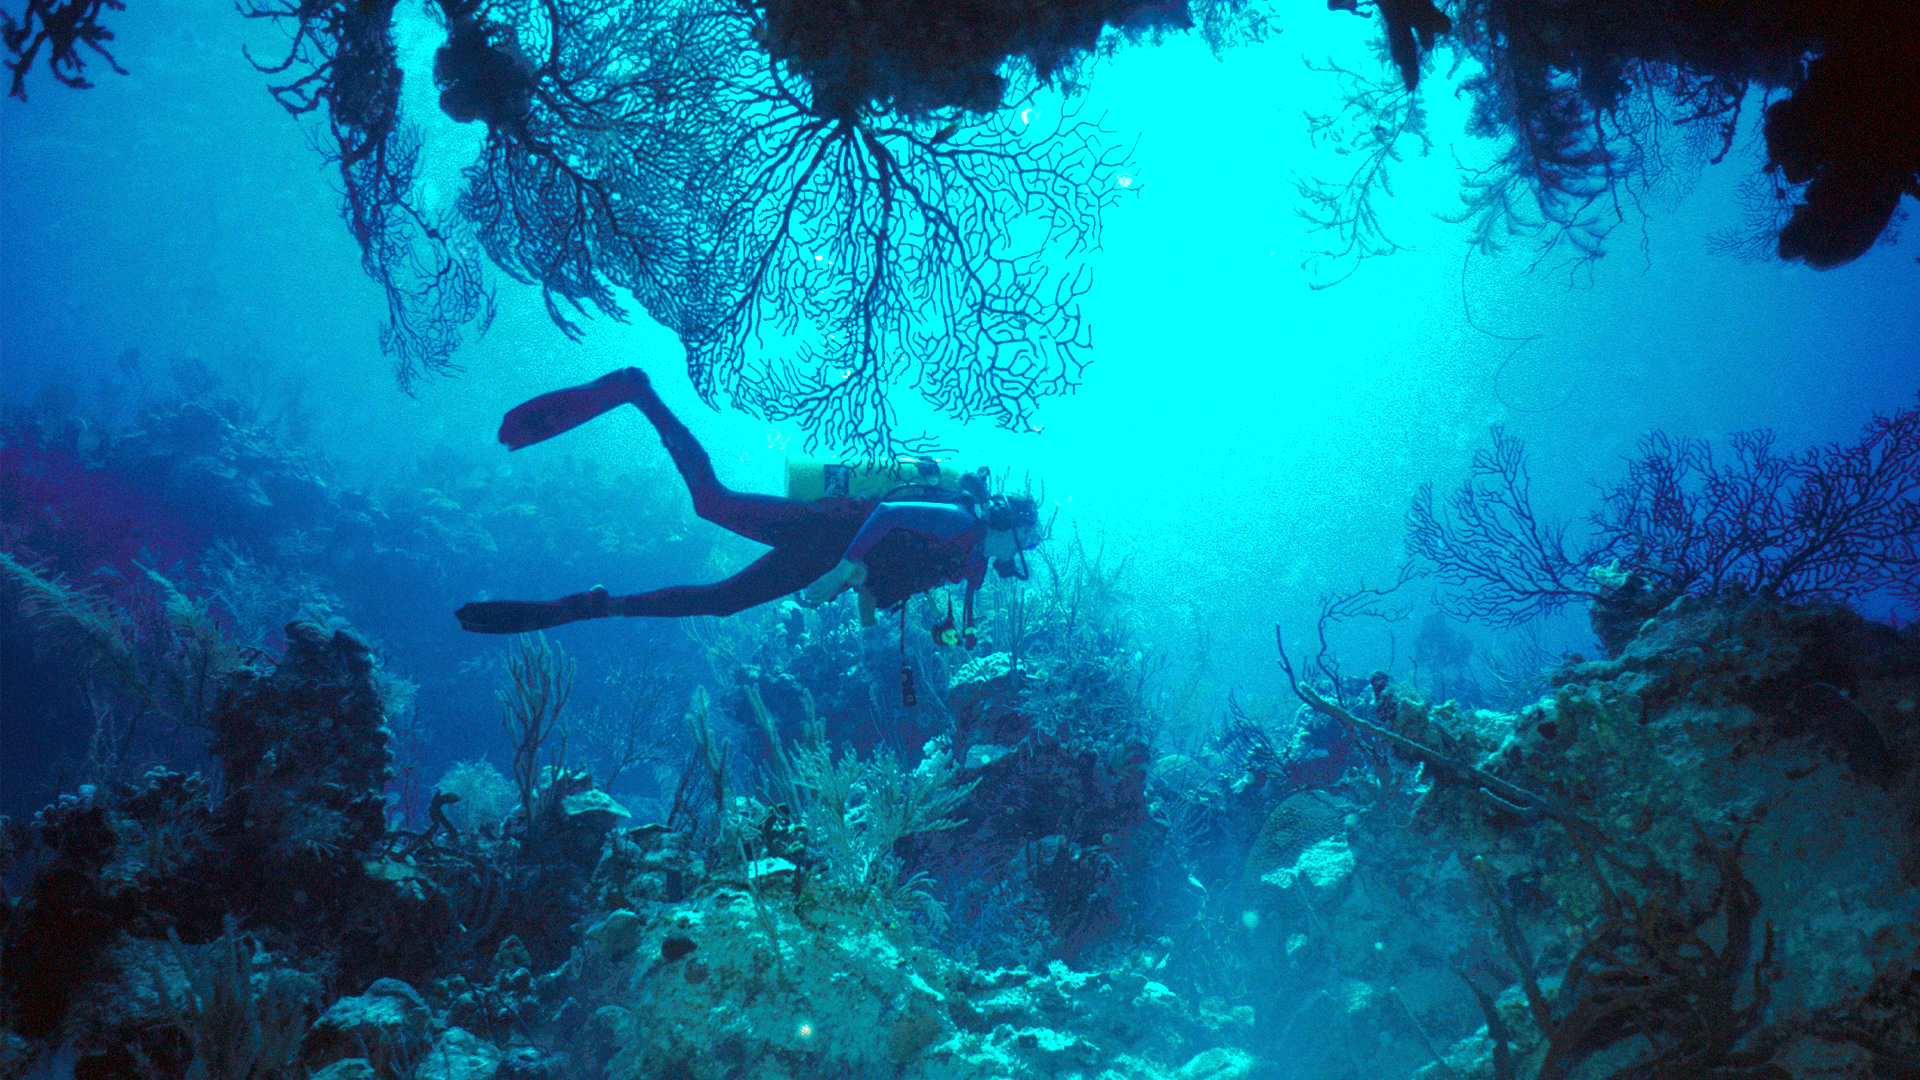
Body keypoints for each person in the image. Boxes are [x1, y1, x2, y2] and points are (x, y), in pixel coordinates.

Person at [454, 368, 1042, 637]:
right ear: (1008, 527)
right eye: (1029, 540)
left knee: (720, 577)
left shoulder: (976, 563)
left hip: (825, 555)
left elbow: (960, 591)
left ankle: (593, 607)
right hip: (829, 539)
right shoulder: (961, 518)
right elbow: (888, 515)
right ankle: (637, 393)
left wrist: (962, 630)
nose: (1025, 555)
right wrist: (844, 570)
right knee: (713, 520)